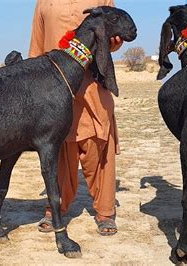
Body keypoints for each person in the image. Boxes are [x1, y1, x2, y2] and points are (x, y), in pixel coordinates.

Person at [28, 0, 123, 236]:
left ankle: (105, 212)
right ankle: (54, 208)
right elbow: (37, 48)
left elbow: (114, 37)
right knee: (58, 152)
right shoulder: (44, 3)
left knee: (99, 151)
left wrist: (114, 41)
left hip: (93, 85)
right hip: (56, 89)